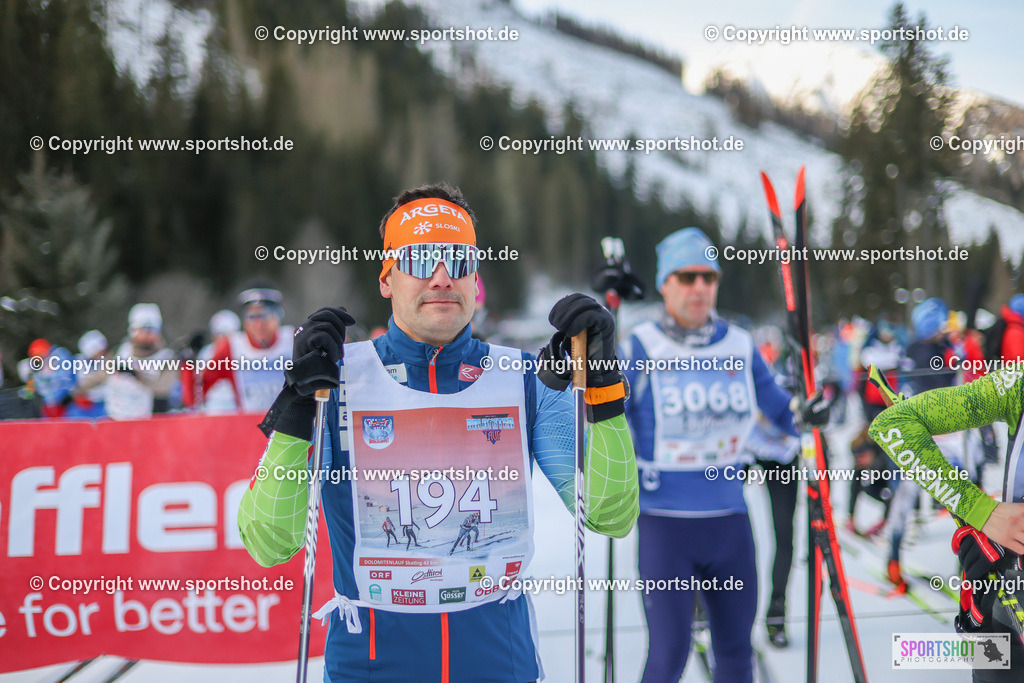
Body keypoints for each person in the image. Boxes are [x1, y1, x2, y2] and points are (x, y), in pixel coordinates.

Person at [237, 183, 639, 682]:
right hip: (372, 669)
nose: (443, 277)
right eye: (421, 258)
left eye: (458, 259)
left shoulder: (522, 380)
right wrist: (297, 411)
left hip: (498, 666)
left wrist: (603, 391)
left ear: (476, 279)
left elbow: (609, 514)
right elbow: (269, 543)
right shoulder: (335, 383)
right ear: (387, 278)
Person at [619, 228, 824, 680]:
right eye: (686, 276)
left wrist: (807, 411)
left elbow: (782, 412)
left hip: (730, 524)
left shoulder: (739, 344)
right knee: (669, 654)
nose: (699, 288)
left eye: (708, 277)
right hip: (664, 526)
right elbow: (604, 421)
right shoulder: (640, 346)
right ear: (664, 283)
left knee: (735, 653)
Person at [870, 358, 1024, 682]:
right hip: (1007, 611)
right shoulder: (1018, 383)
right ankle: (894, 560)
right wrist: (981, 510)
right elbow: (894, 424)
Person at [201, 287, 293, 413]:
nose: (258, 324)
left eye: (264, 315)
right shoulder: (231, 347)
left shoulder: (293, 339)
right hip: (249, 423)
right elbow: (199, 389)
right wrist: (187, 366)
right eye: (252, 317)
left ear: (278, 316)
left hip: (289, 423)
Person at [98, 304, 178, 420]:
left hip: (150, 421)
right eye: (143, 330)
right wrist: (76, 392)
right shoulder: (120, 351)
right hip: (117, 419)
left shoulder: (167, 357)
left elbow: (163, 388)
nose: (148, 335)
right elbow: (101, 376)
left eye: (152, 330)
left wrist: (136, 375)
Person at [66, 330, 109, 418]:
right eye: (99, 351)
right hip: (82, 407)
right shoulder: (76, 362)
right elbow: (70, 384)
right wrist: (78, 396)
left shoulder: (106, 362)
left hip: (102, 405)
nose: (102, 353)